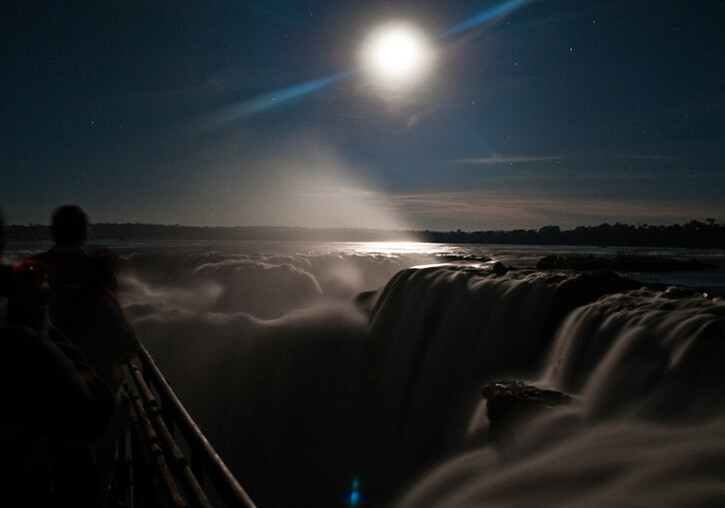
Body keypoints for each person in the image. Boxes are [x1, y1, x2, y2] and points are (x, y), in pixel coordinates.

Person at [0, 208, 116, 506]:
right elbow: (95, 412)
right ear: (85, 232)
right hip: (73, 384)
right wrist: (42, 324)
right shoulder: (97, 271)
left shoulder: (38, 266)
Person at [29, 205, 138, 498]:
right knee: (94, 480)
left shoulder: (31, 272)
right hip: (92, 400)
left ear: (54, 233)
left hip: (38, 403)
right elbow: (125, 341)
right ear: (85, 234)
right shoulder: (96, 277)